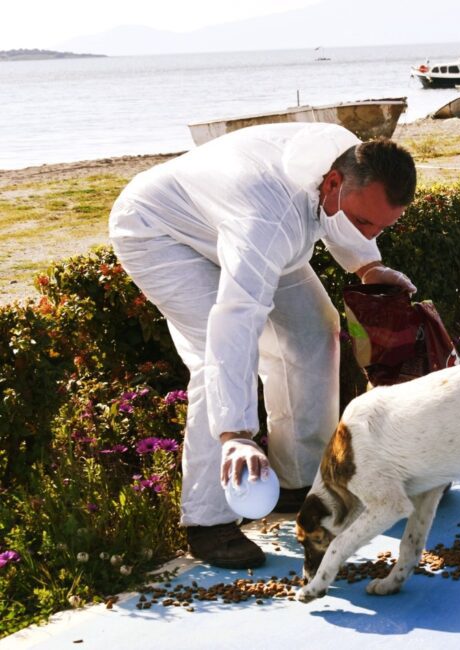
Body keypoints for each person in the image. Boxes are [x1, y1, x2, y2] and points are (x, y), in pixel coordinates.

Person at [108, 123, 418, 569]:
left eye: (380, 227)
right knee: (210, 355)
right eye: (365, 223)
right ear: (332, 183)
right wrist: (236, 433)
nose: (369, 231)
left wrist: (368, 266)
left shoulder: (350, 156)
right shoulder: (269, 220)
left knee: (314, 328)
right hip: (158, 231)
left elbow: (346, 221)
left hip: (236, 220)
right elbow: (236, 318)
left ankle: (296, 482)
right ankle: (208, 521)